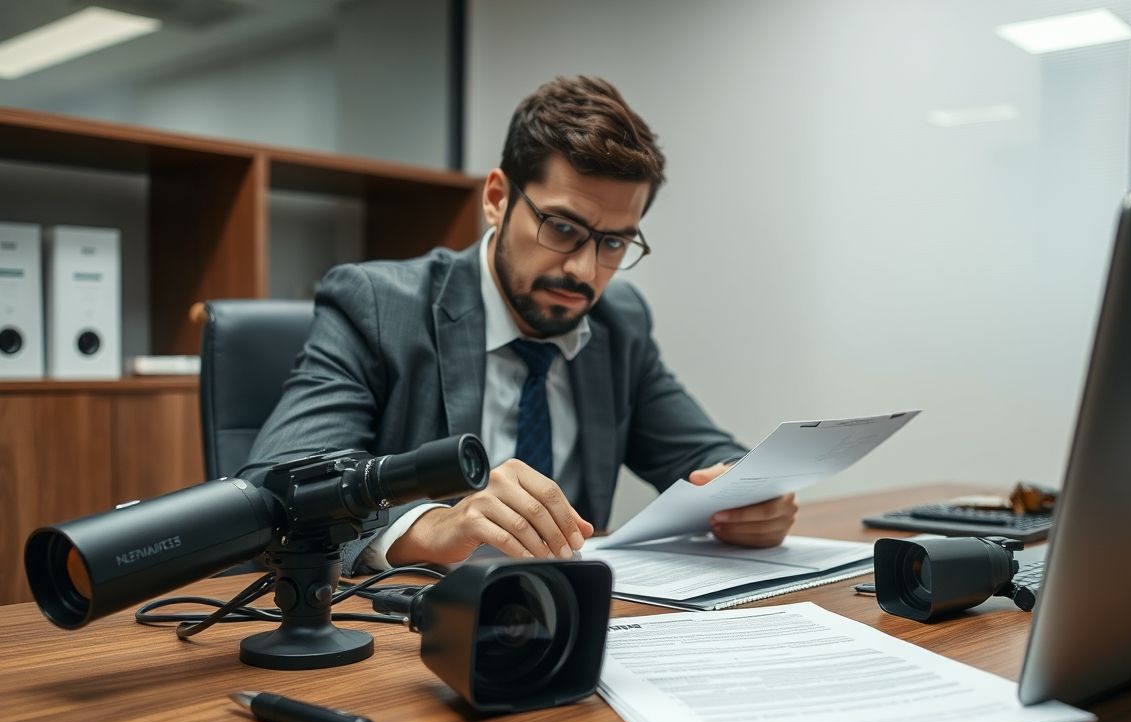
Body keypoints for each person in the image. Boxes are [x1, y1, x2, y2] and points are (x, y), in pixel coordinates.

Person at [240, 76, 798, 575]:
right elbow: (282, 480)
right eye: (561, 227)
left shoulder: (617, 322)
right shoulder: (379, 305)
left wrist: (750, 494)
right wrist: (429, 527)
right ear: (497, 198)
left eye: (613, 242)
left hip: (570, 616)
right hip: (405, 635)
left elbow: (701, 455)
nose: (583, 269)